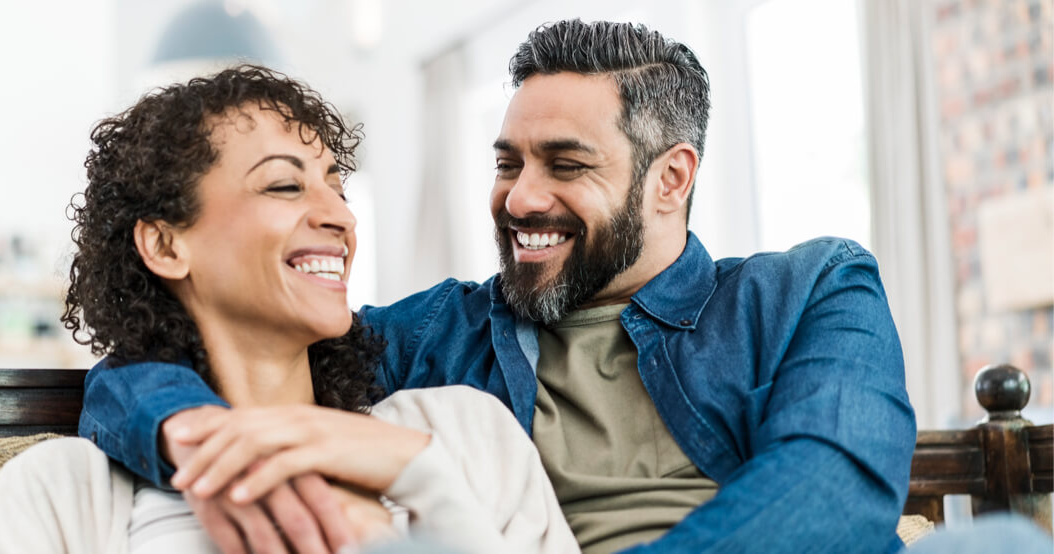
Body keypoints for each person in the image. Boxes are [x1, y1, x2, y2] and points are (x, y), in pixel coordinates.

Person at [80, 19, 918, 553]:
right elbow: (149, 364)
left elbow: (832, 495)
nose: (520, 198)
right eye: (508, 162)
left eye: (565, 165)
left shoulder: (809, 292)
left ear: (671, 179)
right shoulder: (442, 337)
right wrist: (190, 431)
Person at [0, 65, 577, 554]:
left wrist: (420, 478)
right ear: (167, 244)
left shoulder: (461, 435)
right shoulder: (65, 491)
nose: (340, 215)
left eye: (336, 184)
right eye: (284, 184)